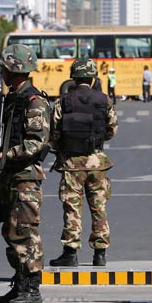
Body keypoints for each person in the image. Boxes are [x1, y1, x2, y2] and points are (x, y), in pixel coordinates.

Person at [0, 44, 51, 303]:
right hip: (9, 176)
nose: (1, 72)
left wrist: (9, 154)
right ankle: (20, 283)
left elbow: (37, 142)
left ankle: (32, 288)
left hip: (25, 176)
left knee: (26, 232)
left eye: (4, 68)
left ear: (14, 69)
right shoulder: (12, 99)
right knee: (11, 231)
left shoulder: (34, 101)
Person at [47, 58, 118, 268]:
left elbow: (53, 133)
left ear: (74, 77)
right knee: (99, 207)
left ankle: (70, 253)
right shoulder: (104, 100)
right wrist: (96, 142)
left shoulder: (63, 101)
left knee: (72, 208)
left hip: (71, 163)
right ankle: (100, 253)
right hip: (97, 163)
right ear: (93, 77)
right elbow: (112, 129)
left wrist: (62, 147)